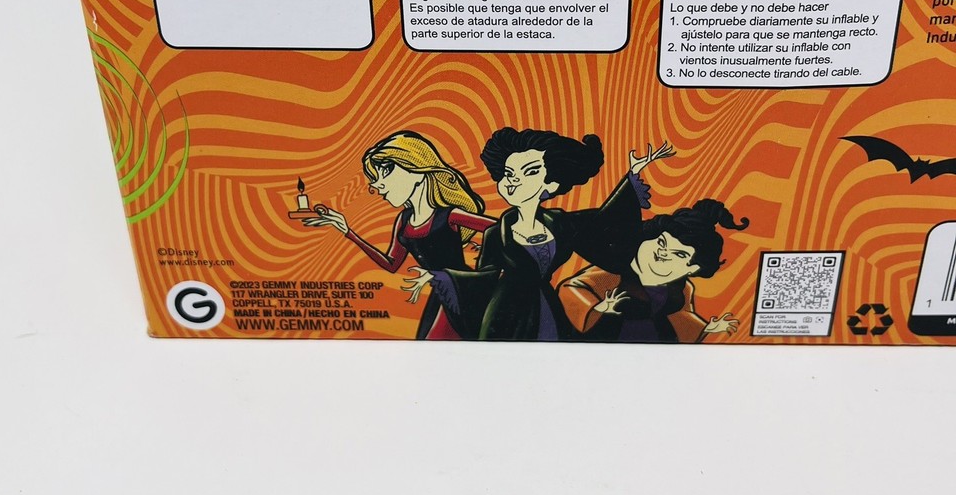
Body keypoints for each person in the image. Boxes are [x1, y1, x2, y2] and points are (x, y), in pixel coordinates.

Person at [404, 128, 674, 341]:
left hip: (547, 305)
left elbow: (604, 222)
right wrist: (441, 276)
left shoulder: (559, 223)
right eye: (508, 173)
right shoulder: (497, 233)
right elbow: (485, 277)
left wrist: (633, 174)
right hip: (506, 312)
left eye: (529, 172)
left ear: (551, 183)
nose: (513, 180)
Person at [302, 131, 493, 339]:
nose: (377, 185)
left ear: (417, 172)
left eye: (387, 171)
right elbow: (391, 264)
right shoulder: (404, 219)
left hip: (460, 293)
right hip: (439, 297)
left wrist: (491, 247)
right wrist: (347, 231)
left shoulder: (449, 215)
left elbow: (504, 228)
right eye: (376, 177)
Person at [558, 199, 748, 343]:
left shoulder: (683, 288)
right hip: (604, 341)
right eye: (661, 242)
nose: (662, 253)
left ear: (693, 268)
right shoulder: (614, 271)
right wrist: (599, 308)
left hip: (656, 344)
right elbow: (572, 288)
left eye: (678, 254)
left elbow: (682, 318)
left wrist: (707, 328)